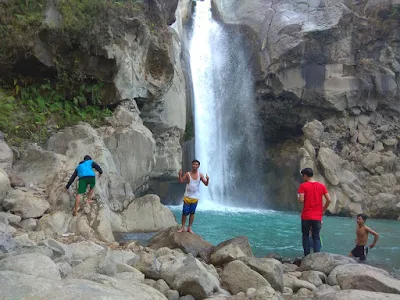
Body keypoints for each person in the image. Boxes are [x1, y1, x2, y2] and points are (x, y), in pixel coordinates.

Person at [298, 167, 331, 256]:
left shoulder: (303, 186)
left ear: (305, 176)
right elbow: (329, 200)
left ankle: (307, 256)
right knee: (316, 236)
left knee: (305, 236)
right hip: (317, 216)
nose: (303, 178)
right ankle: (317, 257)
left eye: (303, 176)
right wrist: (323, 209)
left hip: (306, 216)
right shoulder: (321, 186)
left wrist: (299, 197)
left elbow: (301, 200)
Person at [177, 159, 209, 234]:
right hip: (187, 196)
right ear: (192, 165)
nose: (195, 166)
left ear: (198, 166)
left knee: (192, 212)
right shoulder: (188, 174)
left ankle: (189, 227)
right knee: (185, 212)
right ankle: (183, 227)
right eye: (193, 164)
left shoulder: (200, 175)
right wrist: (180, 175)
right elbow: (181, 181)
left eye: (196, 164)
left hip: (195, 197)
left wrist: (208, 179)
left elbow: (206, 184)